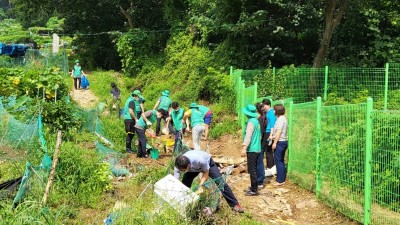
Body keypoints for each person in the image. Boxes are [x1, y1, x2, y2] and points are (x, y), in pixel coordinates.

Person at [174, 150, 244, 213]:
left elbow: (206, 173)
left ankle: (235, 205)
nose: (181, 172)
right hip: (192, 169)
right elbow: (176, 181)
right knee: (184, 185)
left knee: (221, 183)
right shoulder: (178, 166)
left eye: (183, 171)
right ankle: (183, 204)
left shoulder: (200, 160)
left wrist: (200, 186)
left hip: (208, 164)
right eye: (180, 170)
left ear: (188, 165)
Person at [241, 104, 261, 196]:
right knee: (255, 169)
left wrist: (244, 148)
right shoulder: (256, 121)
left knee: (252, 170)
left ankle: (254, 190)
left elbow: (248, 136)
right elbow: (259, 135)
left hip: (252, 149)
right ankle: (254, 186)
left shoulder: (250, 123)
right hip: (257, 148)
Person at [271, 104, 288, 186]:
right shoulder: (282, 118)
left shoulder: (281, 119)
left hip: (280, 142)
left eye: (274, 110)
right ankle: (281, 177)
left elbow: (279, 131)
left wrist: (274, 143)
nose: (273, 111)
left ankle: (280, 180)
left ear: (277, 111)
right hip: (281, 141)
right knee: (280, 160)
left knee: (279, 161)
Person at [256, 103, 267, 188]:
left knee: (259, 161)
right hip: (261, 143)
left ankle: (260, 181)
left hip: (260, 144)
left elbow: (260, 134)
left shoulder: (260, 119)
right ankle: (259, 179)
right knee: (259, 161)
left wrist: (256, 144)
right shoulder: (262, 118)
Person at [262, 99, 276, 169]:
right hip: (267, 132)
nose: (263, 107)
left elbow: (272, 124)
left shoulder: (271, 113)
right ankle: (269, 165)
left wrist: (271, 134)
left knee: (268, 150)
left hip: (269, 133)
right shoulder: (267, 112)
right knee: (267, 150)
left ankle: (270, 166)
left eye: (264, 105)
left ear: (268, 105)